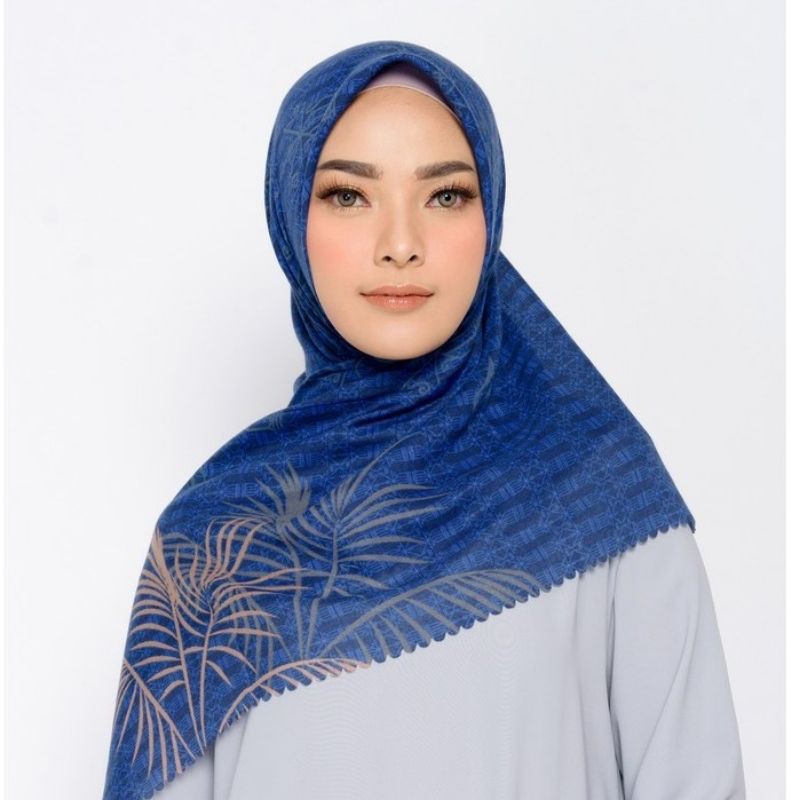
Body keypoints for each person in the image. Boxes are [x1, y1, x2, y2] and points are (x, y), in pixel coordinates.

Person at [101, 41, 746, 800]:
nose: (401, 245)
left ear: (490, 214)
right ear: (289, 216)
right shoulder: (212, 541)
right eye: (349, 195)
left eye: (445, 196)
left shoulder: (603, 498)